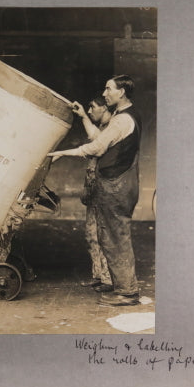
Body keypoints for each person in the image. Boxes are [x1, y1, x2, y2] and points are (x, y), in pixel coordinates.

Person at [47, 75, 142, 306]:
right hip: (120, 183)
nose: (105, 92)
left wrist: (62, 153)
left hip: (115, 185)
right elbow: (102, 139)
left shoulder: (121, 120)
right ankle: (122, 287)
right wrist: (83, 117)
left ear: (121, 92)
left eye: (109, 89)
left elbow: (97, 148)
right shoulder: (125, 116)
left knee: (115, 237)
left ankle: (127, 292)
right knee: (111, 236)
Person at [76, 96, 113, 293]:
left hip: (104, 191)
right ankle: (98, 275)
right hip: (93, 191)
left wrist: (83, 117)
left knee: (103, 235)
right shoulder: (104, 128)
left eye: (93, 107)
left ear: (104, 108)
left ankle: (108, 280)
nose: (91, 111)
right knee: (91, 234)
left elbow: (96, 140)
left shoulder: (113, 127)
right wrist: (83, 115)